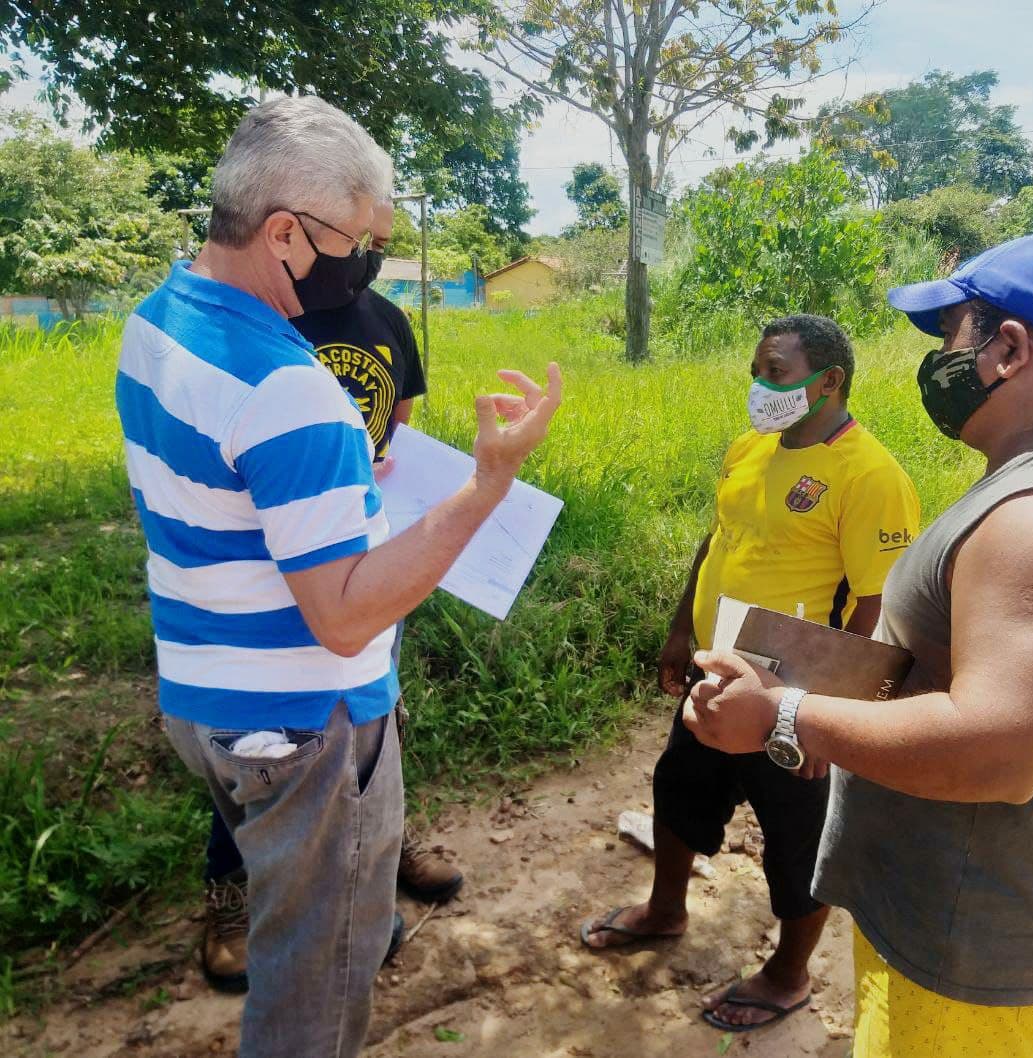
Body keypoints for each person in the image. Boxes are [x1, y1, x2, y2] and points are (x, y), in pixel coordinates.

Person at [115, 96, 561, 1058]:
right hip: (306, 728)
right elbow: (346, 618)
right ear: (284, 232)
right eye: (359, 241)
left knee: (297, 923)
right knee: (316, 983)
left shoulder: (157, 320)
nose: (368, 264)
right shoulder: (292, 390)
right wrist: (487, 485)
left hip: (205, 695)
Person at [683, 233, 1033, 1057]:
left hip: (971, 947)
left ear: (1007, 347)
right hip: (964, 917)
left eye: (950, 336)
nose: (938, 361)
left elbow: (1001, 750)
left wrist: (784, 716)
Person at [581, 315, 920, 1034]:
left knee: (797, 837)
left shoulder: (869, 475)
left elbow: (874, 605)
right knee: (679, 790)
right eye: (755, 371)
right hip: (717, 672)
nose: (759, 386)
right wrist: (682, 629)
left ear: (829, 381)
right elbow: (718, 539)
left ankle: (788, 975)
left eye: (775, 371)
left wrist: (823, 718)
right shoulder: (751, 446)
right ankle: (666, 910)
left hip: (794, 696)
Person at [199, 199, 461, 995]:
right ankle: (233, 890)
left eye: (381, 245)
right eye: (359, 241)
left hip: (364, 559)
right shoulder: (262, 325)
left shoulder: (386, 321)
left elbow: (398, 425)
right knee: (260, 738)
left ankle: (382, 850)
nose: (367, 257)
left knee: (376, 719)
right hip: (267, 568)